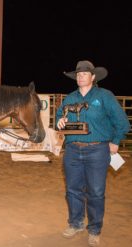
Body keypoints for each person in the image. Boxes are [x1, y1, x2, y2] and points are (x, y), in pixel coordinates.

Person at [56, 60, 130, 246]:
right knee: (72, 190)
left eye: (84, 74)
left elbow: (122, 122)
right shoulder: (70, 98)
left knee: (96, 192)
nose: (80, 76)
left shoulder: (104, 96)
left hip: (97, 150)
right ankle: (76, 223)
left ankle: (95, 229)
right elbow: (59, 116)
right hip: (72, 150)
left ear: (93, 77)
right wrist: (59, 122)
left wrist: (115, 141)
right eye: (78, 74)